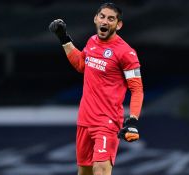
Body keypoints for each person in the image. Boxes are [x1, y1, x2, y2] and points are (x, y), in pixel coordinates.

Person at [49, 2, 144, 175]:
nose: (105, 21)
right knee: (84, 173)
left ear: (118, 25)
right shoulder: (92, 41)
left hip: (107, 122)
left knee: (100, 170)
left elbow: (137, 89)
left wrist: (132, 120)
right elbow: (80, 63)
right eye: (102, 17)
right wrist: (63, 37)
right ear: (95, 18)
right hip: (84, 120)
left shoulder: (126, 53)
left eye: (111, 19)